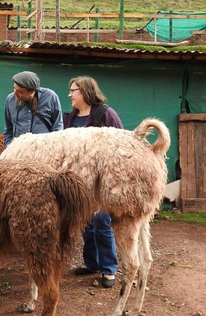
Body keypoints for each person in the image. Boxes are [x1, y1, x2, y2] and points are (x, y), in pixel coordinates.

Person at [63, 76, 123, 289]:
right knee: (86, 223)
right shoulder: (71, 117)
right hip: (80, 181)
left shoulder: (106, 114)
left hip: (101, 181)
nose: (70, 94)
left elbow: (119, 144)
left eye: (73, 90)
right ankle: (92, 263)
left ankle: (109, 269)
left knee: (101, 222)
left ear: (85, 91)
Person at [3, 71, 64, 147]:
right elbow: (8, 130)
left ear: (32, 91)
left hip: (42, 151)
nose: (15, 93)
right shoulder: (10, 99)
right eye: (14, 89)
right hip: (18, 151)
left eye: (20, 92)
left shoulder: (50, 97)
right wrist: (10, 148)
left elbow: (58, 128)